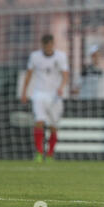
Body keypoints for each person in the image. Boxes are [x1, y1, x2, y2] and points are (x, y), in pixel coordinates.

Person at [21, 34, 69, 163]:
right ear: (42, 45)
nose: (48, 48)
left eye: (50, 45)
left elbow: (65, 75)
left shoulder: (61, 56)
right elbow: (29, 74)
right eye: (45, 45)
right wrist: (24, 92)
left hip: (54, 95)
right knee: (39, 122)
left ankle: (50, 153)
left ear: (53, 44)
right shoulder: (35, 56)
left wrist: (61, 87)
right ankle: (39, 152)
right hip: (39, 93)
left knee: (53, 126)